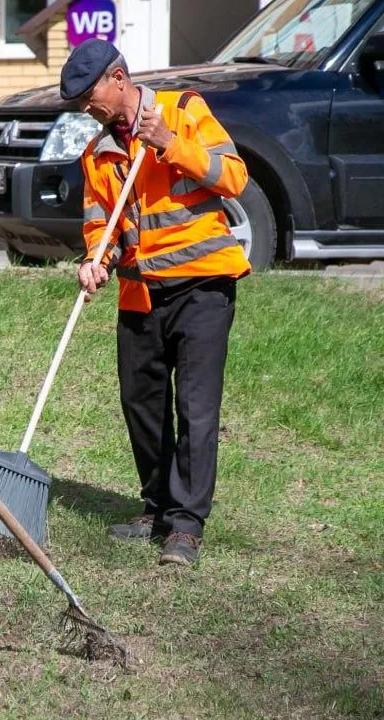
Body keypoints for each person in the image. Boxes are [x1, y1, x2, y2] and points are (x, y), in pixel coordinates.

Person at [60, 39, 251, 568]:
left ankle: (186, 525)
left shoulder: (184, 110)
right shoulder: (97, 154)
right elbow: (100, 223)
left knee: (195, 408)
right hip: (140, 292)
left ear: (118, 79)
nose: (86, 107)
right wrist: (95, 258)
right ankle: (158, 507)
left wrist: (169, 142)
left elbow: (234, 177)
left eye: (89, 95)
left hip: (202, 286)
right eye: (78, 101)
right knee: (140, 402)